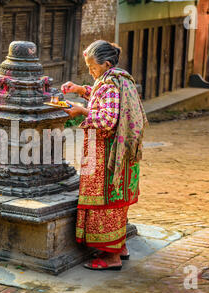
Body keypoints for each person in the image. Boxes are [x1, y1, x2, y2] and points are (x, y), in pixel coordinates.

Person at [61, 40, 148, 270]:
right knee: (117, 202)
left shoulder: (110, 83)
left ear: (106, 63)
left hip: (106, 153)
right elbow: (102, 96)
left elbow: (107, 118)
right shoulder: (117, 78)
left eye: (93, 68)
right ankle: (120, 247)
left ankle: (111, 258)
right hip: (120, 154)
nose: (91, 72)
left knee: (106, 201)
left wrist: (80, 110)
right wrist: (79, 90)